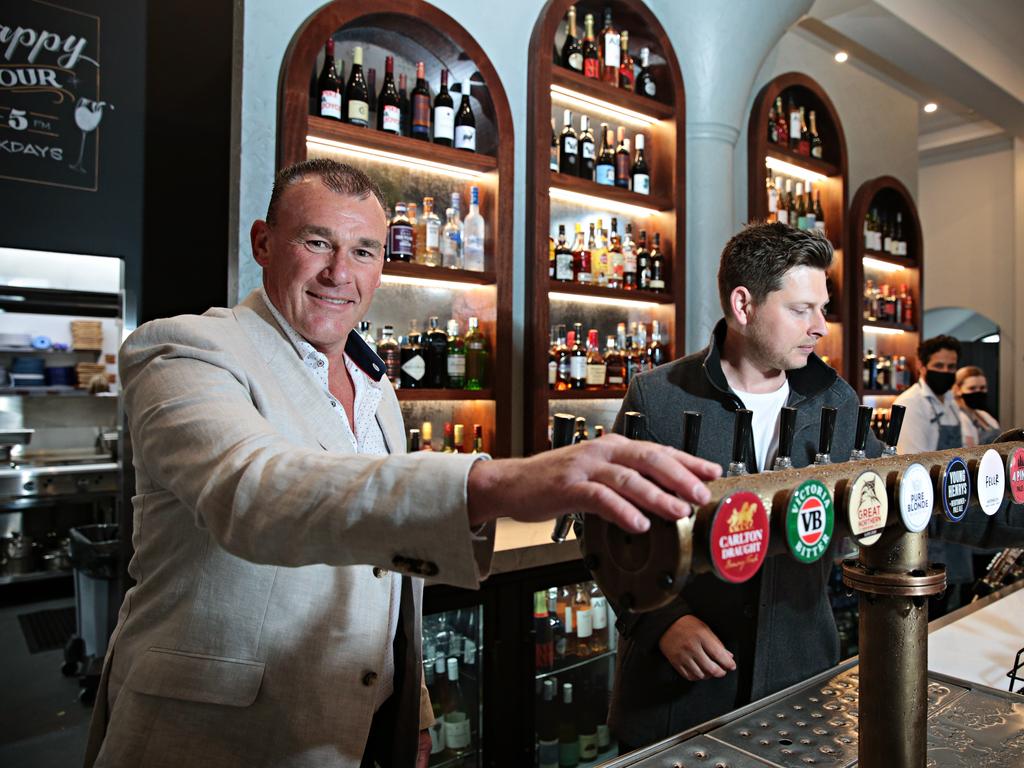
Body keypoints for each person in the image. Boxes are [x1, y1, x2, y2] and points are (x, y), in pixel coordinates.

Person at [84, 159, 721, 768]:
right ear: (263, 243)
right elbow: (252, 492)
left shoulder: (376, 386)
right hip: (218, 736)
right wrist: (494, 481)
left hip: (361, 724)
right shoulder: (185, 350)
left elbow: (387, 572)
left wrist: (410, 703)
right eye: (317, 242)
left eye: (363, 251)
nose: (341, 272)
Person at [606, 222, 886, 750]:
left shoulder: (838, 402)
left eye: (822, 309)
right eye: (802, 310)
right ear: (743, 304)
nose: (821, 326)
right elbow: (607, 532)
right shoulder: (660, 396)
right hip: (680, 694)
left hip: (801, 684)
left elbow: (879, 509)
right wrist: (663, 621)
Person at [893, 336, 973, 615]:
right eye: (939, 365)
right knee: (931, 601)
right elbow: (912, 465)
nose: (946, 372)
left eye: (952, 367)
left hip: (951, 507)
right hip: (926, 514)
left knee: (954, 596)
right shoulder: (911, 404)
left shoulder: (950, 402)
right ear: (922, 366)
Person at [954, 365, 1001, 446]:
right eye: (972, 388)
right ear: (958, 390)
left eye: (982, 388)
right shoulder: (957, 417)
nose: (978, 392)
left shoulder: (984, 415)